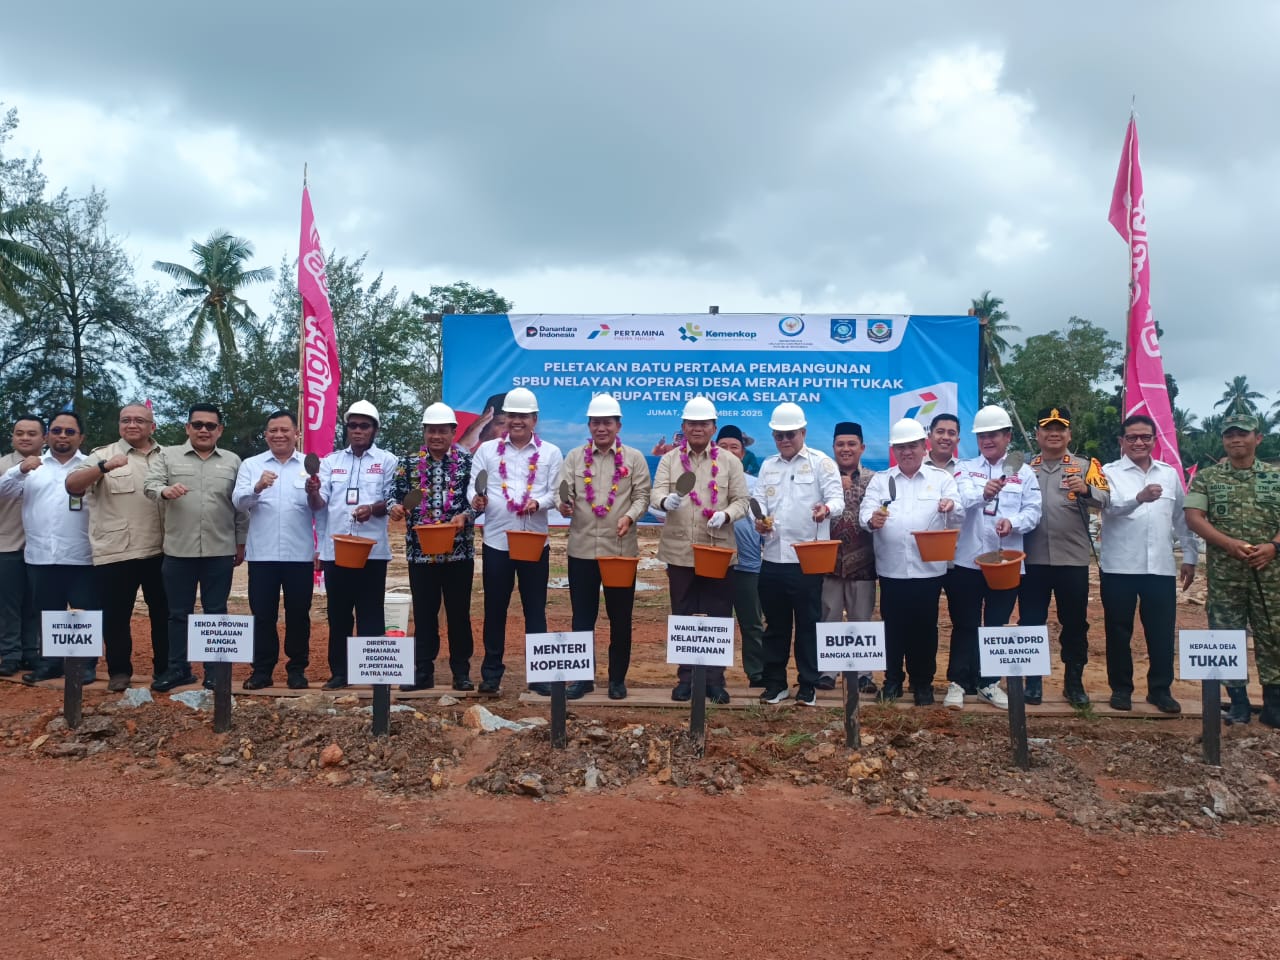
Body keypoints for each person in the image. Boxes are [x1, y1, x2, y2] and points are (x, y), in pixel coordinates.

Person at [1185, 412, 1280, 727]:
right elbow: (1195, 517)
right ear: (1223, 439)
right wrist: (1227, 543)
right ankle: (1238, 703)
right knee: (1226, 637)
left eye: (1243, 433)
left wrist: (1274, 547)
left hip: (1271, 574)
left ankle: (1273, 705)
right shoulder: (1208, 478)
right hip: (1226, 574)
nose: (1236, 439)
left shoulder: (1275, 476)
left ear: (1258, 438)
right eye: (1230, 435)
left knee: (1273, 635)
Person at [64, 403, 168, 691]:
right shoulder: (103, 454)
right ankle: (119, 672)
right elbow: (72, 485)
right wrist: (102, 468)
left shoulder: (167, 456)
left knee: (163, 613)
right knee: (116, 616)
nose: (132, 425)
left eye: (139, 420)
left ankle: (164, 671)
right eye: (126, 420)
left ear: (152, 426)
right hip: (117, 551)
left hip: (161, 550)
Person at [144, 404, 248, 692]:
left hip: (219, 550)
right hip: (178, 550)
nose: (204, 430)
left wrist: (241, 542)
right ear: (188, 428)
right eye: (198, 424)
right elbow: (150, 484)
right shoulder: (168, 456)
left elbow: (240, 506)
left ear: (220, 430)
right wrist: (164, 491)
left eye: (210, 426)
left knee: (216, 612)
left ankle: (214, 671)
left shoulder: (233, 461)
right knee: (178, 613)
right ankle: (179, 669)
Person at [651, 396, 749, 703]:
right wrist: (666, 502)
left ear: (713, 428)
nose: (697, 428)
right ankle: (686, 678)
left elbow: (742, 501)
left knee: (718, 614)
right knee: (683, 612)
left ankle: (715, 680)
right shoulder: (669, 460)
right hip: (679, 549)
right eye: (691, 423)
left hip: (717, 549)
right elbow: (656, 493)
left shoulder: (730, 461)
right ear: (683, 426)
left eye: (703, 424)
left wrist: (728, 514)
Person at [468, 387, 564, 694]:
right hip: (497, 542)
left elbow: (555, 492)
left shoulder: (550, 452)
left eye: (523, 416)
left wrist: (538, 503)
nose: (517, 421)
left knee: (535, 609)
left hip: (535, 541)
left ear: (535, 419)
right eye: (512, 415)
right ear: (504, 418)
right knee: (495, 609)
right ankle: (491, 674)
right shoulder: (487, 451)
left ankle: (539, 675)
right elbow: (473, 487)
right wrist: (476, 500)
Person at [556, 393, 652, 700]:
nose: (601, 428)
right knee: (582, 617)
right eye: (596, 422)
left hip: (619, 551)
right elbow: (563, 494)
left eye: (607, 422)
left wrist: (630, 515)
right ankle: (582, 679)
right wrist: (564, 505)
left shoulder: (634, 458)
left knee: (620, 616)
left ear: (618, 425)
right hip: (582, 548)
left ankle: (616, 680)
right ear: (589, 424)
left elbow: (642, 497)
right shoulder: (573, 457)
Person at [860, 418, 962, 704]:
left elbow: (959, 511)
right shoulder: (882, 480)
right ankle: (892, 681)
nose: (907, 452)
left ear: (924, 446)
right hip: (892, 569)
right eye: (901, 447)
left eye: (913, 446)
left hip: (928, 569)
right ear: (894, 449)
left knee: (925, 629)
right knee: (893, 627)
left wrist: (950, 505)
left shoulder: (941, 479)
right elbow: (865, 514)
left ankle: (923, 683)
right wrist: (872, 519)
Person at [947, 405, 1042, 710]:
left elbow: (1034, 512)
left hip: (1005, 563)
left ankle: (989, 683)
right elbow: (960, 502)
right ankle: (958, 683)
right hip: (967, 561)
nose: (988, 440)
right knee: (965, 623)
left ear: (1007, 436)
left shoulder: (1024, 473)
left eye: (994, 434)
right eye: (982, 435)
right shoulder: (963, 468)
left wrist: (1012, 523)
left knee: (996, 623)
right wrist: (983, 494)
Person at [1100, 414, 1197, 714]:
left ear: (1155, 440)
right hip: (1119, 567)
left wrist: (1190, 556)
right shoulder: (1108, 472)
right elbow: (1108, 507)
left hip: (1160, 567)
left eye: (1145, 437)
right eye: (1132, 437)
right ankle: (1120, 689)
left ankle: (1160, 689)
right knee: (1118, 630)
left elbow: (1182, 517)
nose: (1139, 442)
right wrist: (1138, 498)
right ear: (1122, 442)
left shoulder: (1169, 474)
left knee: (1161, 631)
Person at [754, 402, 844, 707]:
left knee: (808, 625)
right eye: (778, 435)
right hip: (772, 559)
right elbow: (759, 502)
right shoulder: (768, 465)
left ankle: (808, 684)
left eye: (789, 434)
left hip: (807, 560)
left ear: (803, 432)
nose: (784, 440)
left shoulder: (822, 463)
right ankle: (775, 683)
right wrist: (760, 519)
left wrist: (826, 509)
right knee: (775, 626)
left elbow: (837, 500)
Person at [1020, 406, 1110, 706]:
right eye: (1047, 428)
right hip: (1031, 560)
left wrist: (1085, 490)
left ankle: (1074, 682)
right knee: (1031, 621)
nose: (1054, 433)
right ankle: (1032, 682)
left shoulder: (1087, 466)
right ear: (1038, 434)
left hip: (1072, 560)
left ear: (1069, 434)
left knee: (1074, 623)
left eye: (1060, 428)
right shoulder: (1023, 469)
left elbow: (1106, 498)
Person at [307, 400, 398, 691]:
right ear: (346, 428)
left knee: (371, 612)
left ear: (375, 429)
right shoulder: (330, 461)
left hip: (373, 551)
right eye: (353, 425)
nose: (358, 431)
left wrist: (372, 508)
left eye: (364, 425)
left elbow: (391, 500)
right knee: (339, 613)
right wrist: (312, 492)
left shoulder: (386, 461)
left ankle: (373, 672)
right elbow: (319, 505)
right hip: (337, 551)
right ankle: (340, 673)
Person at [0, 412, 96, 684]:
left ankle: (84, 665)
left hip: (82, 555)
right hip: (40, 555)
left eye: (69, 431)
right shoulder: (33, 466)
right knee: (46, 614)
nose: (62, 436)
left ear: (81, 437)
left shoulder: (91, 466)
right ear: (48, 436)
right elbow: (2, 492)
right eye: (57, 431)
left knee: (84, 613)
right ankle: (50, 664)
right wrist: (19, 470)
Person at [388, 402, 477, 692]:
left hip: (459, 553)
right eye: (431, 430)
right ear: (424, 432)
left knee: (459, 614)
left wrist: (467, 515)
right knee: (425, 614)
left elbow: (476, 501)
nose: (436, 436)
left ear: (453, 432)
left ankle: (461, 672)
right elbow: (394, 495)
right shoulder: (409, 463)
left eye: (442, 431)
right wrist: (396, 508)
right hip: (420, 554)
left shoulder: (467, 463)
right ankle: (422, 672)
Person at [232, 410, 320, 691]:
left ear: (297, 434)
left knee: (298, 614)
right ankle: (261, 670)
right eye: (273, 430)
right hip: (262, 556)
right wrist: (257, 487)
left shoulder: (310, 467)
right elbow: (238, 502)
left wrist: (313, 491)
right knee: (262, 615)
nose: (279, 435)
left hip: (299, 554)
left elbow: (321, 507)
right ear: (266, 434)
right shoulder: (251, 465)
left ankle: (297, 670)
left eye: (285, 430)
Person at [820, 421, 878, 694]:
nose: (846, 449)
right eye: (840, 444)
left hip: (864, 562)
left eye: (851, 444)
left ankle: (864, 674)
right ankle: (827, 672)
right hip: (828, 561)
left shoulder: (874, 479)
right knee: (828, 615)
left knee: (861, 618)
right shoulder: (823, 478)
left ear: (862, 447)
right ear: (833, 447)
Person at [716, 424, 765, 687]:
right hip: (716, 562)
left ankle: (757, 673)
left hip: (748, 563)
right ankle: (714, 675)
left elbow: (766, 519)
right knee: (717, 621)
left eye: (734, 447)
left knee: (752, 622)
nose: (728, 451)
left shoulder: (757, 484)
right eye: (722, 447)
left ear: (743, 452)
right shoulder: (707, 481)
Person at [0, 416, 44, 676]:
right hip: (7, 545)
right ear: (13, 437)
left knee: (35, 603)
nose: (25, 438)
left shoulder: (50, 466)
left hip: (39, 549)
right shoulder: (3, 465)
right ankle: (10, 654)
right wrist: (20, 470)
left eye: (31, 433)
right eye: (19, 433)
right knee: (8, 605)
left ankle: (32, 653)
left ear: (43, 437)